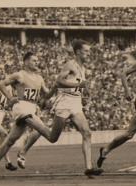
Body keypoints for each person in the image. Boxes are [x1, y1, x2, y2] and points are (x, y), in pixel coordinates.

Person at [16, 40, 103, 177]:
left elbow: (77, 85)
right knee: (52, 137)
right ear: (78, 52)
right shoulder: (70, 64)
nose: (88, 54)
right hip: (64, 102)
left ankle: (88, 168)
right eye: (86, 51)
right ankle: (33, 124)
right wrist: (77, 87)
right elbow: (59, 82)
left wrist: (84, 93)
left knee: (87, 133)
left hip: (76, 103)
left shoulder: (83, 68)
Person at [0, 52, 57, 179]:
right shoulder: (19, 75)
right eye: (33, 60)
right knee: (45, 130)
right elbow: (2, 84)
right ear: (26, 62)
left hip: (32, 107)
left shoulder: (39, 78)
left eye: (37, 60)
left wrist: (55, 91)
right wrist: (10, 98)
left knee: (10, 140)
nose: (36, 62)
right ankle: (22, 153)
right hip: (21, 107)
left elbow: (46, 95)